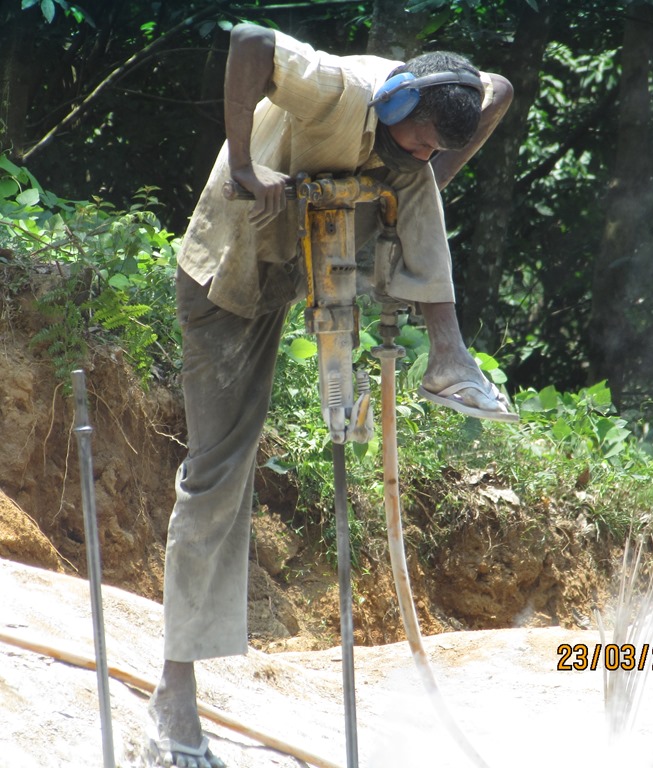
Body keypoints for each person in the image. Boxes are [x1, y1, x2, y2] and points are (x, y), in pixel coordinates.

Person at [147, 21, 515, 768]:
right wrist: (244, 164)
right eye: (419, 139)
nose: (423, 153)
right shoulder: (335, 89)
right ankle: (173, 691)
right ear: (398, 100)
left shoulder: (426, 123)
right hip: (232, 273)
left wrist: (428, 173)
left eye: (436, 147)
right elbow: (249, 39)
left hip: (318, 250)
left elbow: (498, 90)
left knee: (416, 183)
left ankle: (448, 356)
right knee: (218, 475)